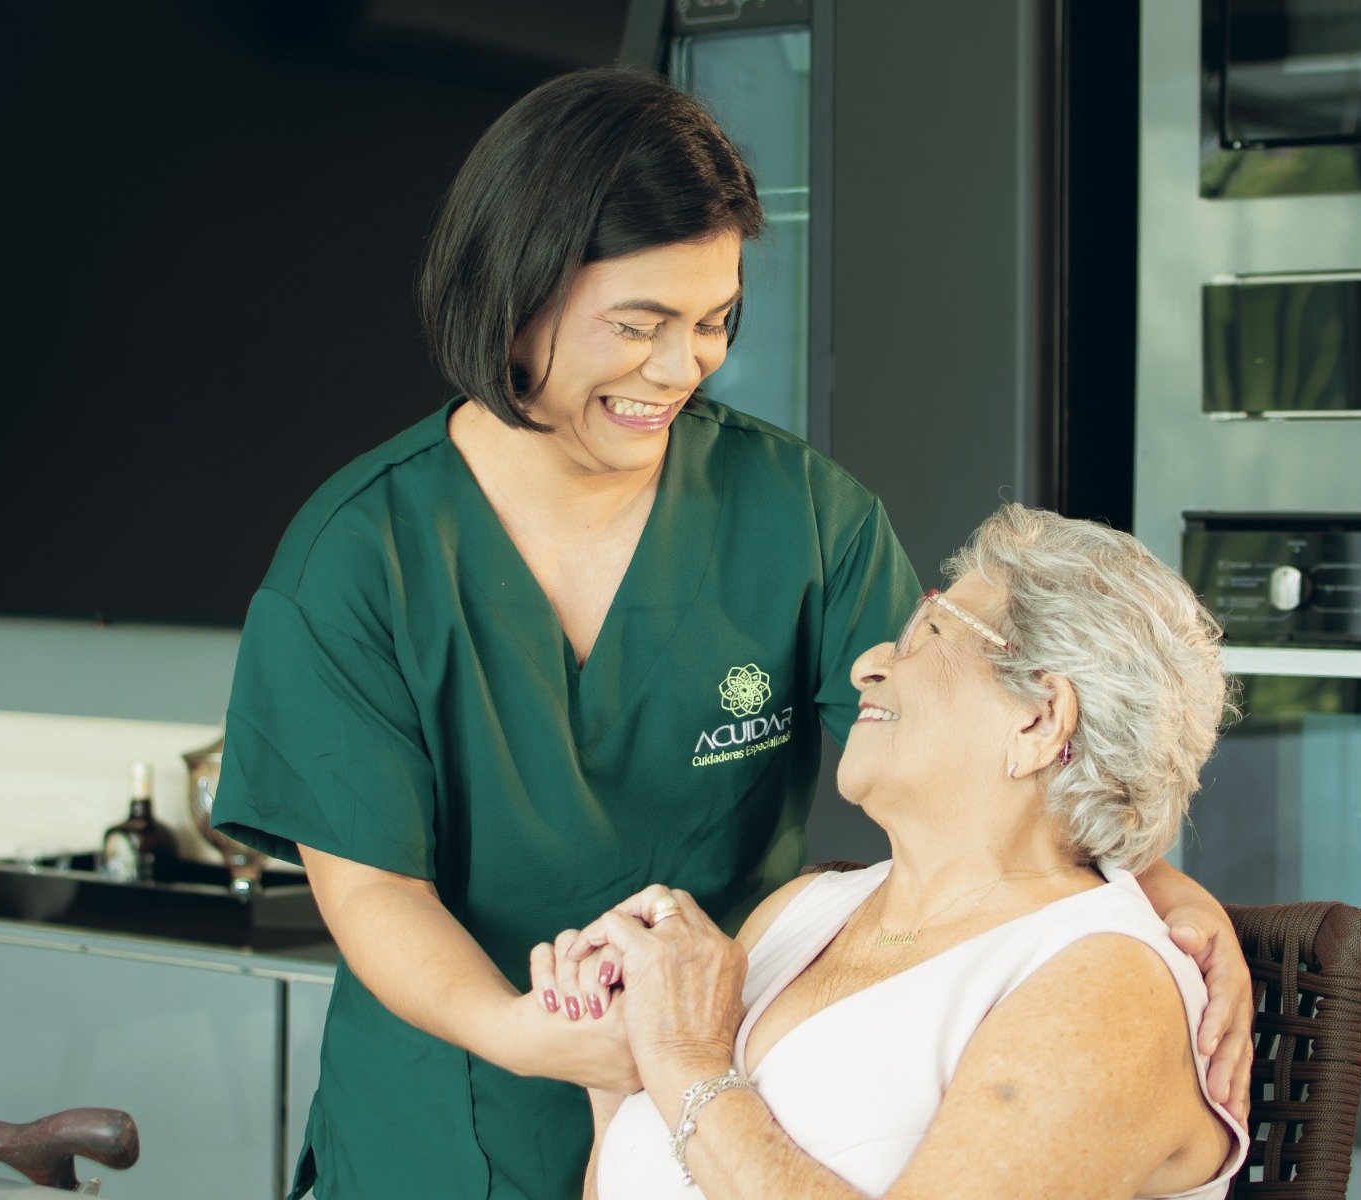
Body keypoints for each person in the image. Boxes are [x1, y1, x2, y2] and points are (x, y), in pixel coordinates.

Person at [211, 70, 1251, 1200]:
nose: (681, 369)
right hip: (449, 1128)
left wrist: (1158, 895)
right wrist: (518, 1032)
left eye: (712, 322)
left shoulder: (798, 515)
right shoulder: (360, 558)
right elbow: (374, 893)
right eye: (637, 325)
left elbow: (970, 739)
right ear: (513, 296)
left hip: (733, 1113)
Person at [558, 505, 1248, 1200]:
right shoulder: (799, 911)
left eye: (931, 633)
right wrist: (618, 1068)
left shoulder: (1111, 988)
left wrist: (685, 1060)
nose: (866, 664)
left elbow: (690, 1079)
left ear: (1039, 719)